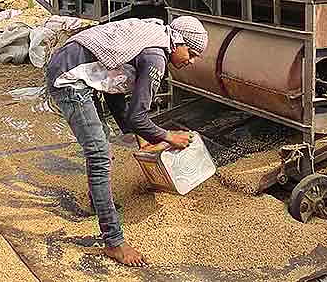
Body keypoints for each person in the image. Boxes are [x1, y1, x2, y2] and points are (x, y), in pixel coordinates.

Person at [45, 16, 209, 267]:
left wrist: (141, 137)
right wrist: (167, 136)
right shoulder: (156, 57)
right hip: (69, 78)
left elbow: (114, 90)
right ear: (179, 42)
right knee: (99, 156)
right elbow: (137, 115)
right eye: (193, 53)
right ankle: (114, 242)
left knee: (101, 149)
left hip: (72, 64)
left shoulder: (154, 37)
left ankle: (96, 203)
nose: (192, 60)